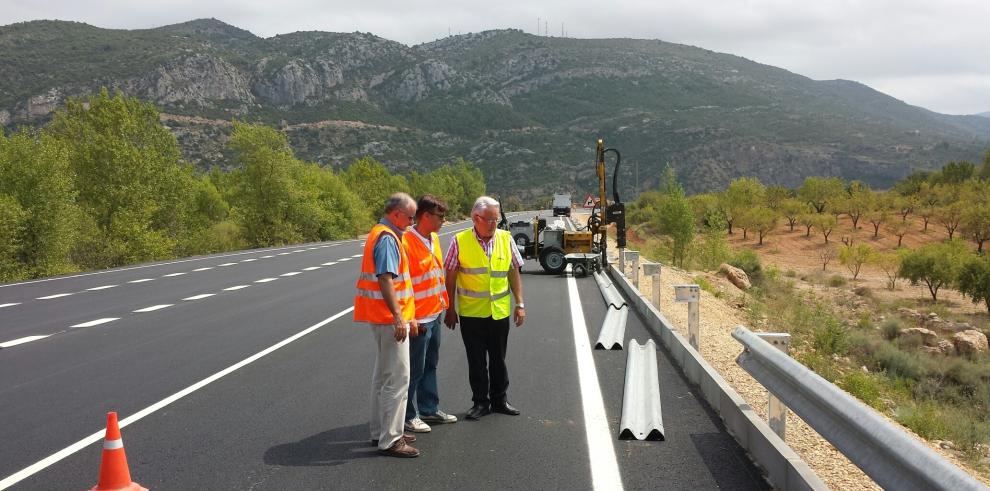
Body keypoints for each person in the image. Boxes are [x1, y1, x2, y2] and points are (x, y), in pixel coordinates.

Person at [443, 196, 526, 420]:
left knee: (499, 358)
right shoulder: (459, 241)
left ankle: (500, 399)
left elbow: (513, 272)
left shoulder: (506, 238)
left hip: (499, 312)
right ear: (476, 218)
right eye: (489, 220)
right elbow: (450, 276)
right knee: (476, 360)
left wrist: (520, 304)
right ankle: (480, 402)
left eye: (496, 220)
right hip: (471, 314)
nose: (493, 224)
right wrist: (449, 308)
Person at [354, 192, 421, 458]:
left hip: (379, 317)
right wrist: (398, 316)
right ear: (396, 214)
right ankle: (391, 439)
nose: (412, 222)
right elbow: (385, 279)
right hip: (388, 319)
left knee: (382, 378)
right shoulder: (387, 238)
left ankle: (380, 431)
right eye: (410, 217)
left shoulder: (380, 232)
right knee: (398, 379)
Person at [402, 195, 459, 433]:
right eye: (440, 216)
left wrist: (445, 308)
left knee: (430, 364)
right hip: (419, 319)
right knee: (413, 369)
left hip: (434, 313)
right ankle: (407, 415)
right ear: (425, 215)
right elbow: (402, 283)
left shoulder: (433, 238)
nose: (443, 221)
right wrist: (410, 317)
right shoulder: (405, 241)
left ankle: (428, 408)